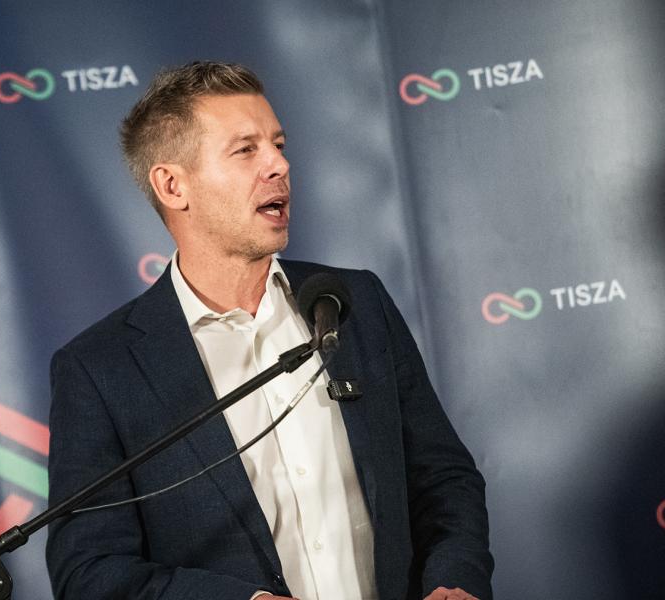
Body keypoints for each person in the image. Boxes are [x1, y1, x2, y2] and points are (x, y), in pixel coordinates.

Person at [46, 61, 493, 600]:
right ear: (173, 185)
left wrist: (454, 579)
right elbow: (90, 571)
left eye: (278, 145)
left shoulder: (355, 303)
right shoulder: (101, 369)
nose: (279, 164)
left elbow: (443, 479)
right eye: (245, 150)